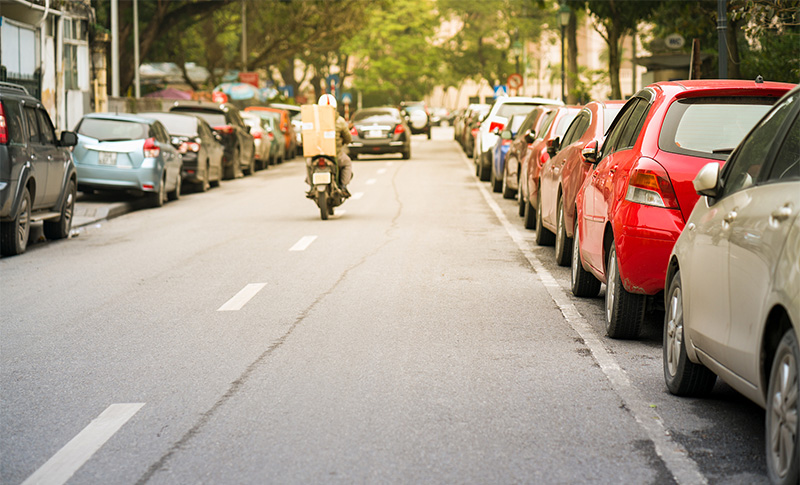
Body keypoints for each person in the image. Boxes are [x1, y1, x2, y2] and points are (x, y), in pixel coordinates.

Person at [314, 94, 353, 197]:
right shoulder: (340, 121)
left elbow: (305, 135)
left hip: (316, 154)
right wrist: (347, 141)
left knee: (309, 164)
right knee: (347, 163)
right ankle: (343, 186)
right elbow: (348, 138)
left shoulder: (314, 120)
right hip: (336, 155)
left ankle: (311, 186)